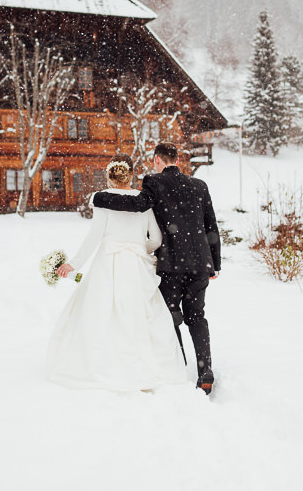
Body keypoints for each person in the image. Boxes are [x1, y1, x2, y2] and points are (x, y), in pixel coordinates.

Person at [47, 154, 186, 392]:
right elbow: (157, 238)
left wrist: (75, 264)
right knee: (138, 313)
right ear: (131, 174)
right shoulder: (144, 201)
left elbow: (95, 236)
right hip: (136, 264)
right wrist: (142, 250)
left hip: (108, 262)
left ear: (110, 176)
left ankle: (104, 362)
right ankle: (145, 363)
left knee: (102, 312)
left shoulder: (103, 199)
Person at [92, 142, 221, 394]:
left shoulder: (154, 182)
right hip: (198, 263)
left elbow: (137, 205)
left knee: (170, 315)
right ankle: (205, 370)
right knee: (197, 316)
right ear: (177, 159)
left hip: (172, 263)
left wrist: (101, 197)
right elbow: (211, 226)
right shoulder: (199, 186)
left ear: (156, 160)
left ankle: (178, 366)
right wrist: (214, 264)